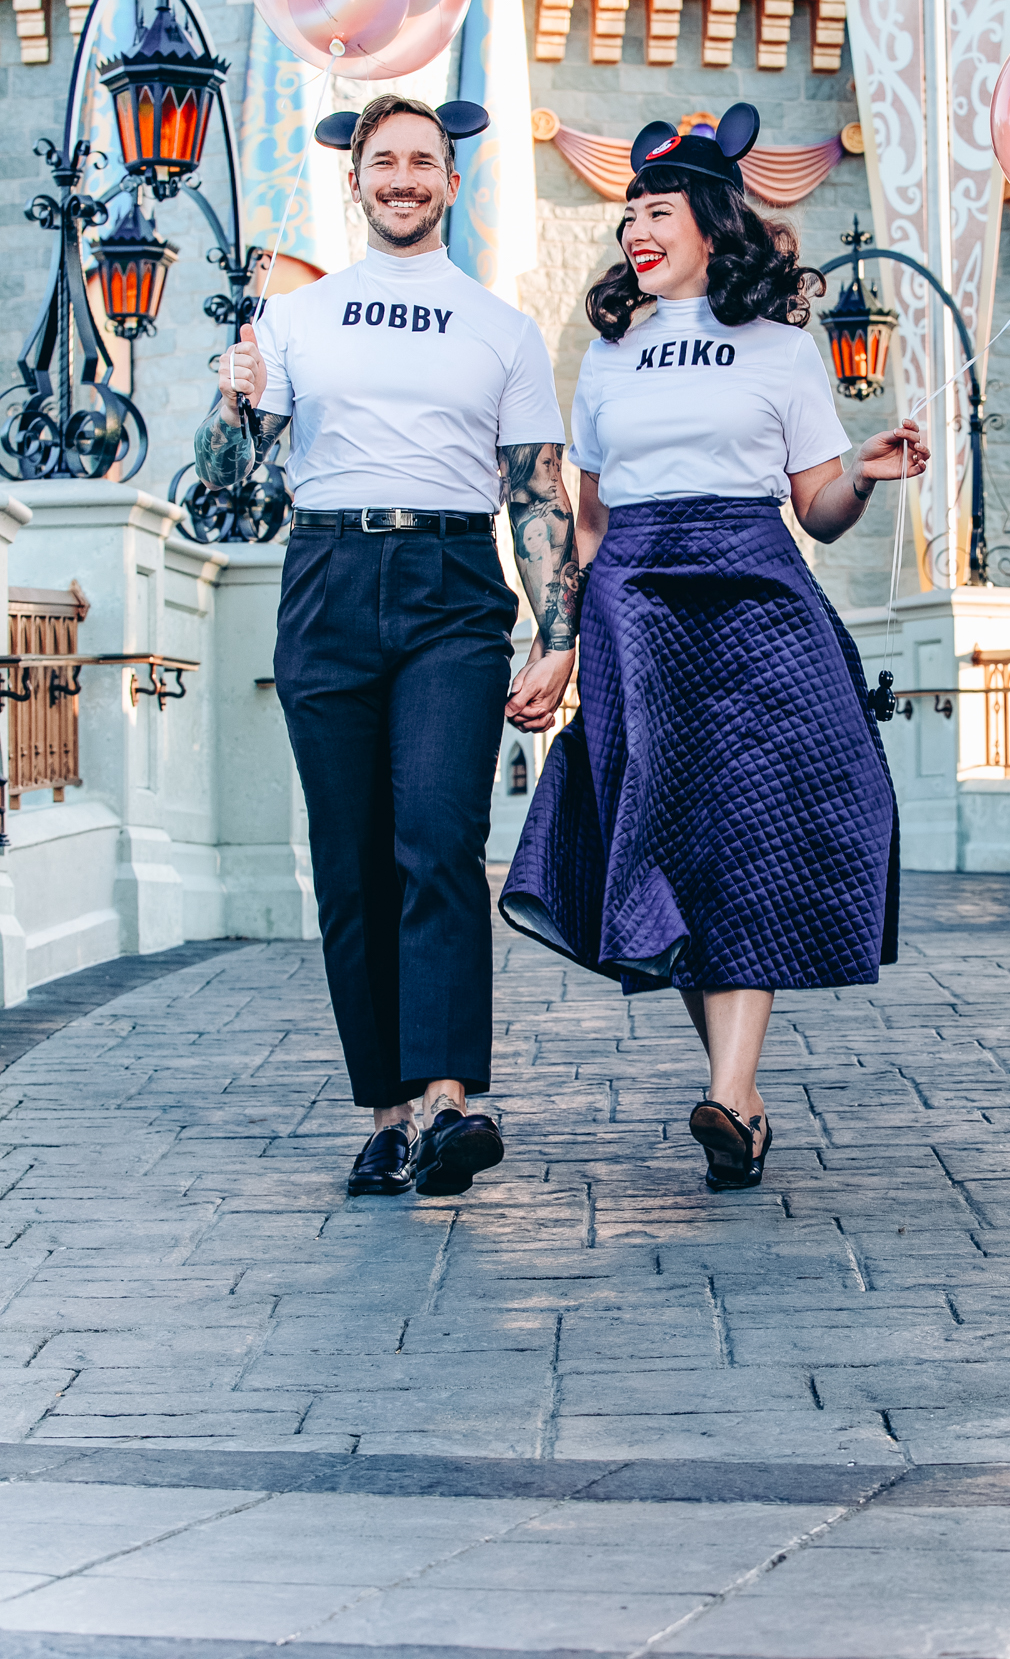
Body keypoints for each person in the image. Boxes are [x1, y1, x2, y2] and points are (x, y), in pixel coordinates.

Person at [500, 105, 927, 1190]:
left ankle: (731, 1097)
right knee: (675, 843)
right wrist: (568, 637)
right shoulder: (606, 355)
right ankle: (738, 1100)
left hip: (756, 595)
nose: (635, 228)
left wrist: (865, 476)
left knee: (756, 834)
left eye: (657, 209)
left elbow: (815, 510)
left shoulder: (784, 350)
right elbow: (587, 522)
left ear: (708, 223)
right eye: (627, 212)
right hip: (637, 601)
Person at [194, 93, 577, 1199]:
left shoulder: (498, 328)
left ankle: (451, 1101)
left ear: (451, 183)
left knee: (439, 835)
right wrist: (232, 401)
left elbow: (536, 492)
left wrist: (558, 635)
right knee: (352, 861)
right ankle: (388, 1115)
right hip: (326, 578)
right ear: (355, 182)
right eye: (384, 161)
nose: (404, 178)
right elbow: (226, 477)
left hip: (453, 585)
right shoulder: (294, 322)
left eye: (424, 161)